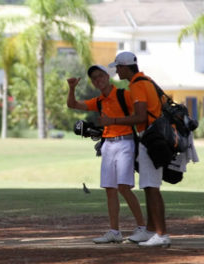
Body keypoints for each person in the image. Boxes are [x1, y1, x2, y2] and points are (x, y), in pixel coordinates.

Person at [67, 64, 151, 244]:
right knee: (110, 190)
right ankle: (114, 232)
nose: (98, 80)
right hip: (108, 146)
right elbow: (72, 104)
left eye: (100, 76)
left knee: (123, 187)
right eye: (94, 78)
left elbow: (140, 115)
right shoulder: (99, 101)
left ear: (108, 76)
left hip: (125, 142)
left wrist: (112, 121)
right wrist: (72, 88)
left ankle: (142, 227)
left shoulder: (124, 94)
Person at [99, 51, 171, 247]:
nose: (117, 72)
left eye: (118, 68)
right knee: (149, 186)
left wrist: (112, 120)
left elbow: (140, 117)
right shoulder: (145, 81)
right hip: (153, 137)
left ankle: (162, 234)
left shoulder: (138, 85)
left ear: (124, 67)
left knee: (152, 188)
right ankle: (149, 231)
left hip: (150, 137)